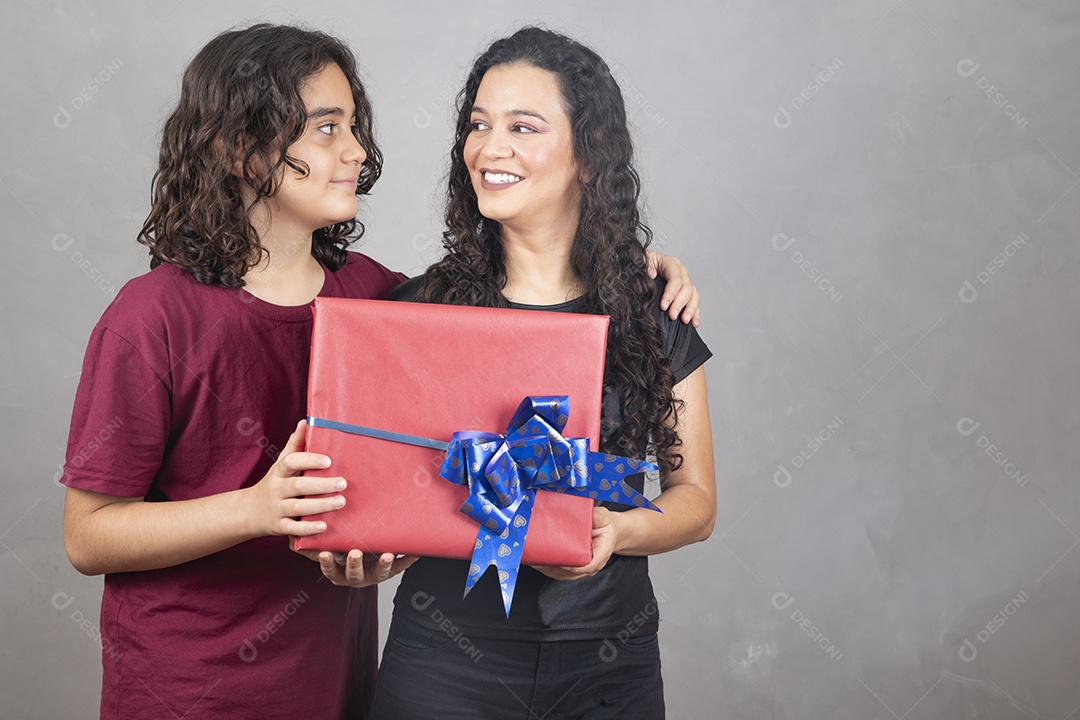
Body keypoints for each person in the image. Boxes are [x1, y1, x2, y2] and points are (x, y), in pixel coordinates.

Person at [60, 23, 700, 720]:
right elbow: (86, 536)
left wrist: (644, 271)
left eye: (353, 127)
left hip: (336, 683)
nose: (359, 152)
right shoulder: (156, 317)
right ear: (244, 150)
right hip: (190, 688)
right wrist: (256, 510)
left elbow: (402, 481)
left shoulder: (374, 298)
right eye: (328, 129)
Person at [353, 26, 718, 720]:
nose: (491, 148)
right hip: (444, 661)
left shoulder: (653, 311)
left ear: (588, 158)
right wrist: (367, 553)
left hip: (609, 660)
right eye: (479, 125)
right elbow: (386, 488)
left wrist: (618, 532)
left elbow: (696, 498)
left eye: (524, 126)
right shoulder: (416, 311)